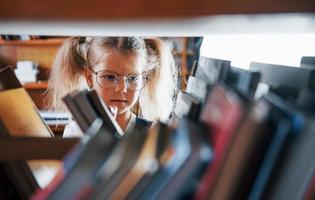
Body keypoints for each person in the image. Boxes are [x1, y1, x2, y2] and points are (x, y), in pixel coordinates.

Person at [47, 37, 178, 137]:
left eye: (132, 78)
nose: (122, 89)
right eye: (110, 77)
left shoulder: (150, 133)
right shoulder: (76, 132)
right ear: (89, 78)